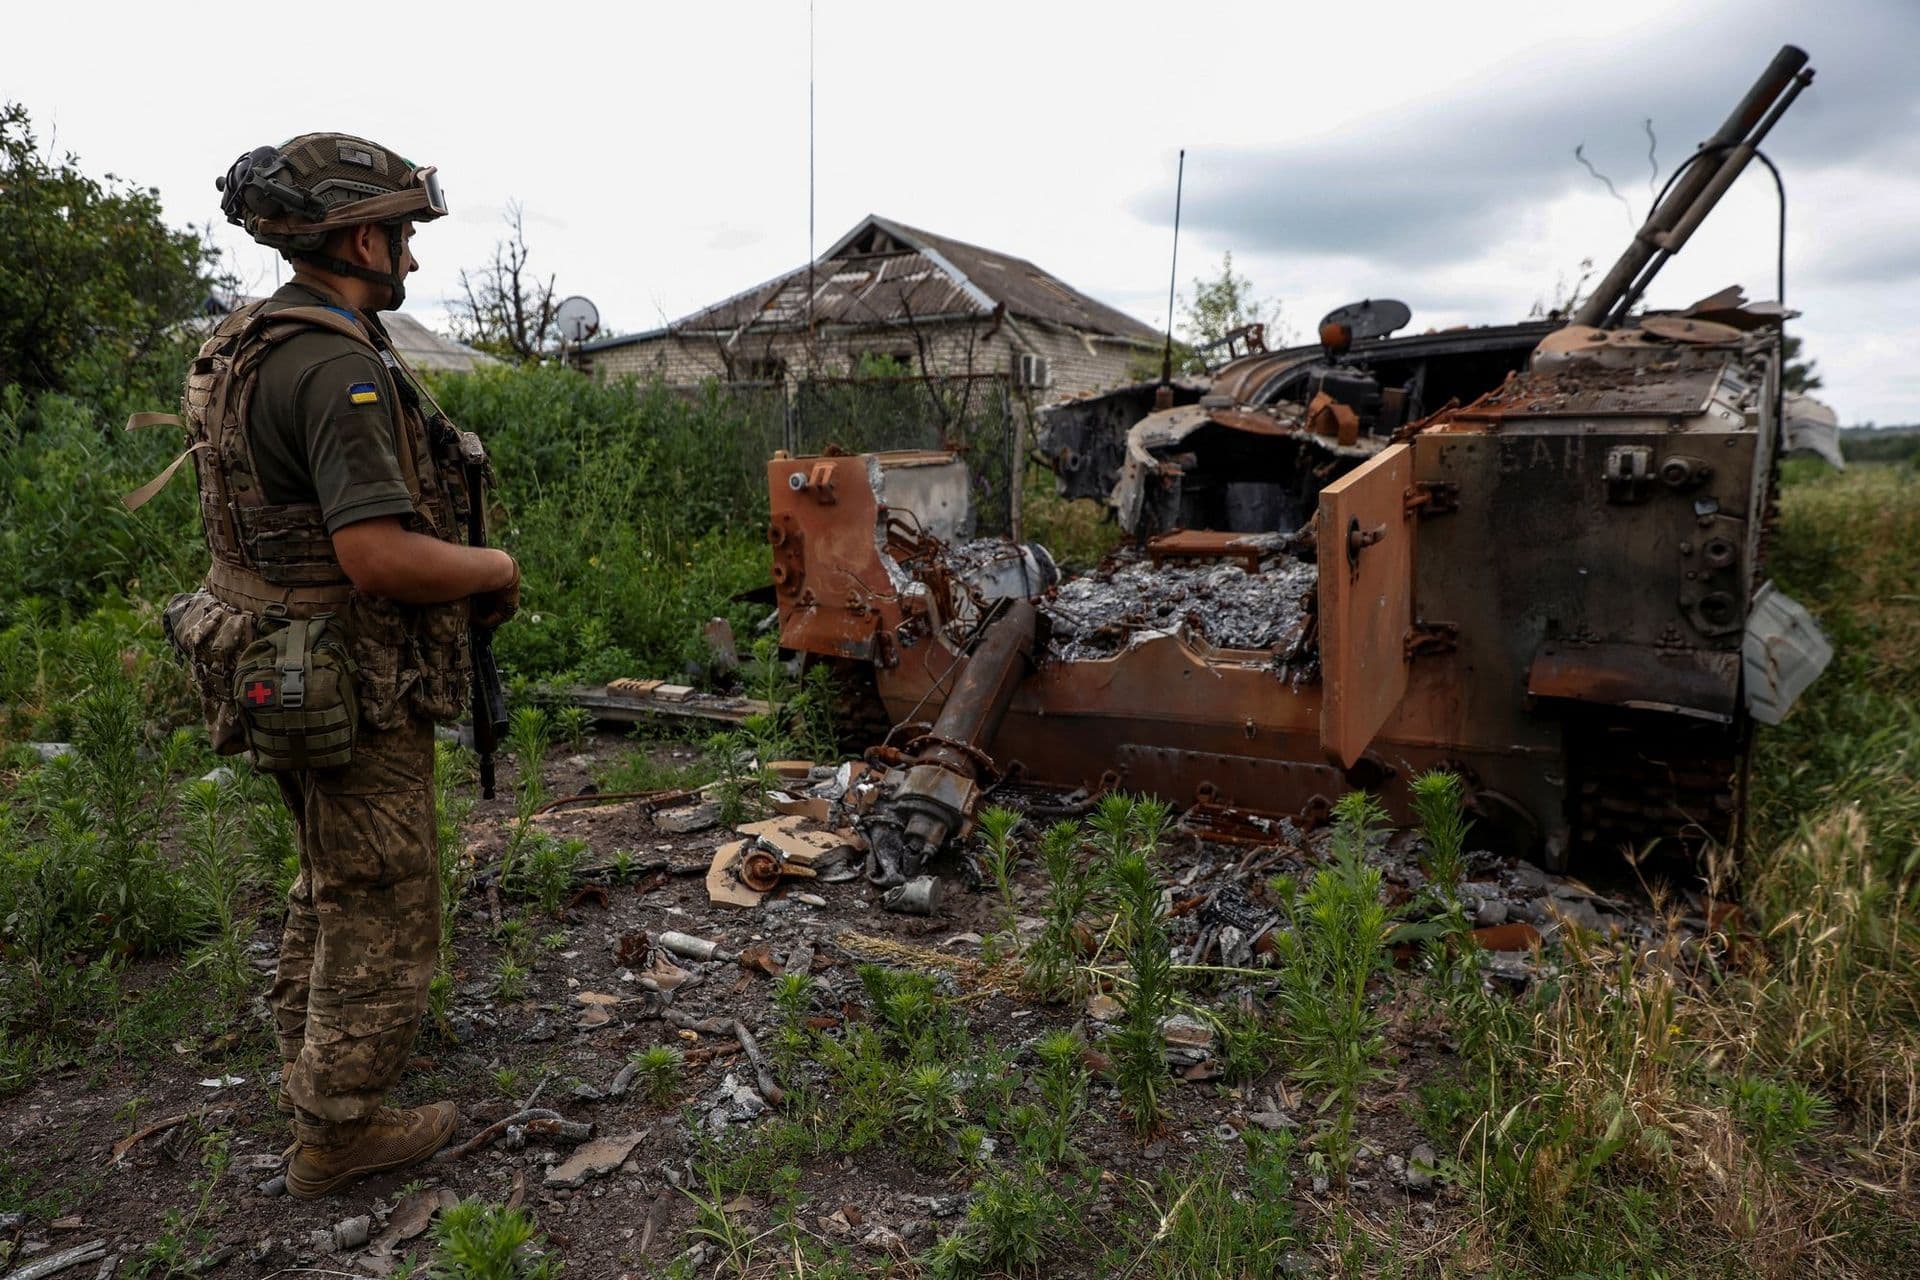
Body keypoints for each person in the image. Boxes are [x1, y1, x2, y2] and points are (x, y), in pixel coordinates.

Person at [148, 133, 519, 1198]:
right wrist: (495, 564)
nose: (411, 253)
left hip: (276, 662)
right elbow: (377, 555)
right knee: (387, 894)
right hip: (344, 675)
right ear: (362, 234)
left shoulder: (254, 339)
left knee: (332, 869)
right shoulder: (339, 363)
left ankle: (309, 1069)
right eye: (402, 231)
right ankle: (340, 1128)